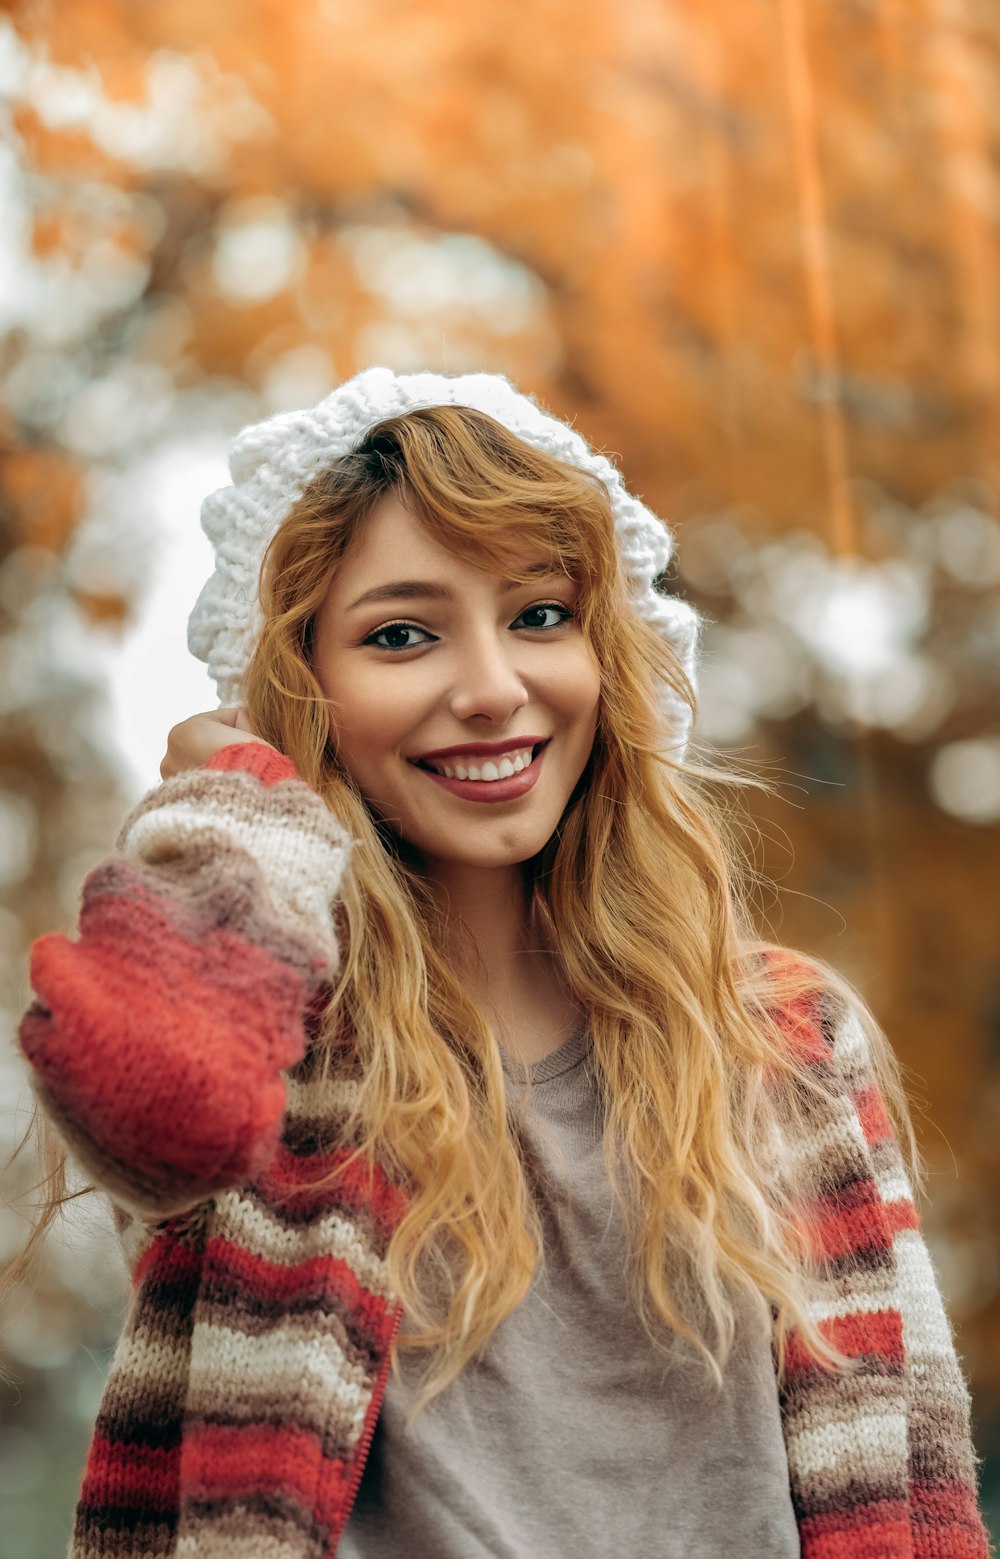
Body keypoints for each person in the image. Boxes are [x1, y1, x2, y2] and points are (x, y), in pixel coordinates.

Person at [6, 365, 991, 1558]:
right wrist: (238, 803)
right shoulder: (266, 1040)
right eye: (402, 634)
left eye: (539, 615)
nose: (490, 689)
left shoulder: (783, 1040)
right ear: (299, 684)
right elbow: (154, 1106)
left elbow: (917, 1485)